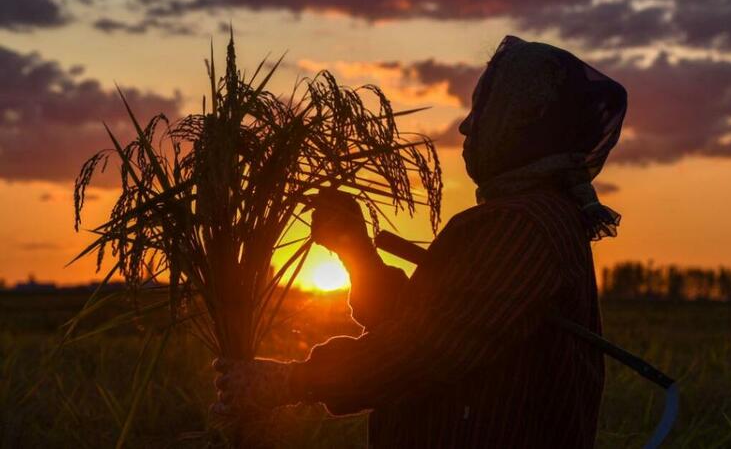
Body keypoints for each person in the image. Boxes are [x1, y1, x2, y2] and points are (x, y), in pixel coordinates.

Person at [212, 35, 627, 448]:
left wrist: (291, 381)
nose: (467, 124)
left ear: (523, 119)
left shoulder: (520, 225)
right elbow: (428, 322)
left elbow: (422, 351)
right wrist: (356, 253)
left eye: (485, 108)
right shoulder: (528, 216)